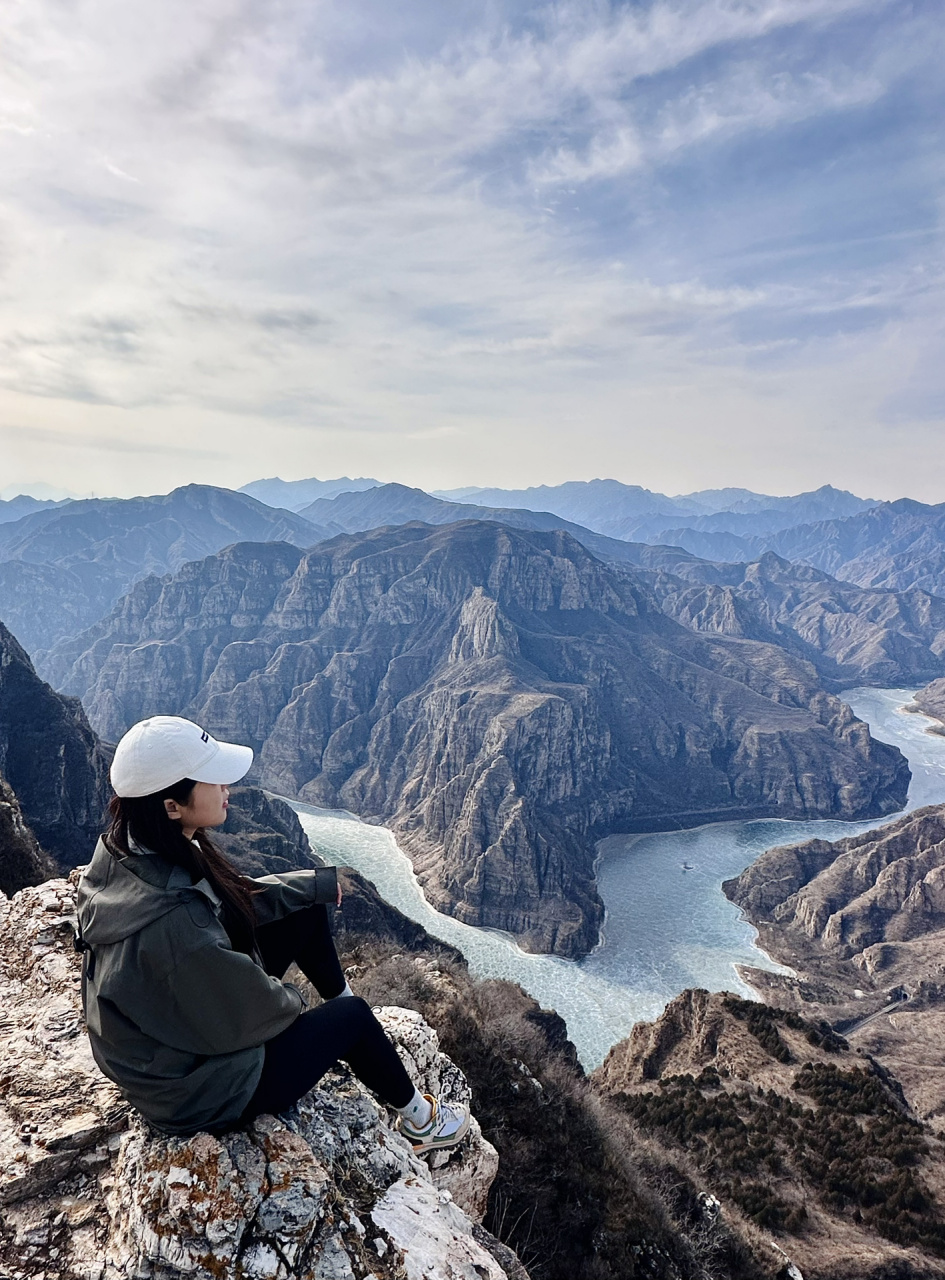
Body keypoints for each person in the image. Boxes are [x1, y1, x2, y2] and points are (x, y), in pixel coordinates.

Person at [74, 715, 469, 1152]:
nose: (227, 788)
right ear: (171, 804)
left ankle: (351, 1028)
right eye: (214, 780)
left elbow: (229, 902)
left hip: (166, 1041)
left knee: (305, 912)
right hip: (193, 1091)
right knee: (353, 1017)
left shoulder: (128, 845)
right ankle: (424, 1125)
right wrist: (303, 1012)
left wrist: (312, 885)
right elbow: (254, 1010)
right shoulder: (173, 924)